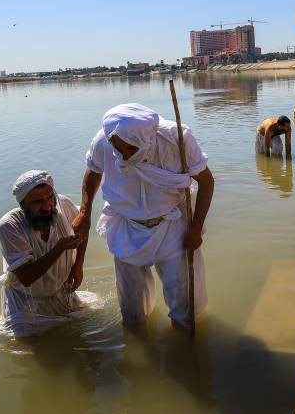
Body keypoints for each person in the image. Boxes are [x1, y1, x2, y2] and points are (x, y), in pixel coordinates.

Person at [74, 103, 215, 328]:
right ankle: (138, 341)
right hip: (126, 225)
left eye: (132, 150)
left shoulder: (177, 140)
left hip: (172, 225)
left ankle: (185, 348)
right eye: (119, 150)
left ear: (148, 139)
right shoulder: (103, 140)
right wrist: (84, 211)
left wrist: (196, 228)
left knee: (184, 309)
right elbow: (93, 170)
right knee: (131, 310)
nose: (125, 156)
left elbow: (206, 181)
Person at [0, 170, 88, 338]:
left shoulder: (64, 205)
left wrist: (77, 266)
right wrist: (59, 249)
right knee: (26, 343)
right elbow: (27, 277)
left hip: (60, 292)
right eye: (37, 202)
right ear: (23, 205)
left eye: (50, 198)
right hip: (26, 303)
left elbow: (82, 229)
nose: (47, 207)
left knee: (81, 329)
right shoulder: (9, 226)